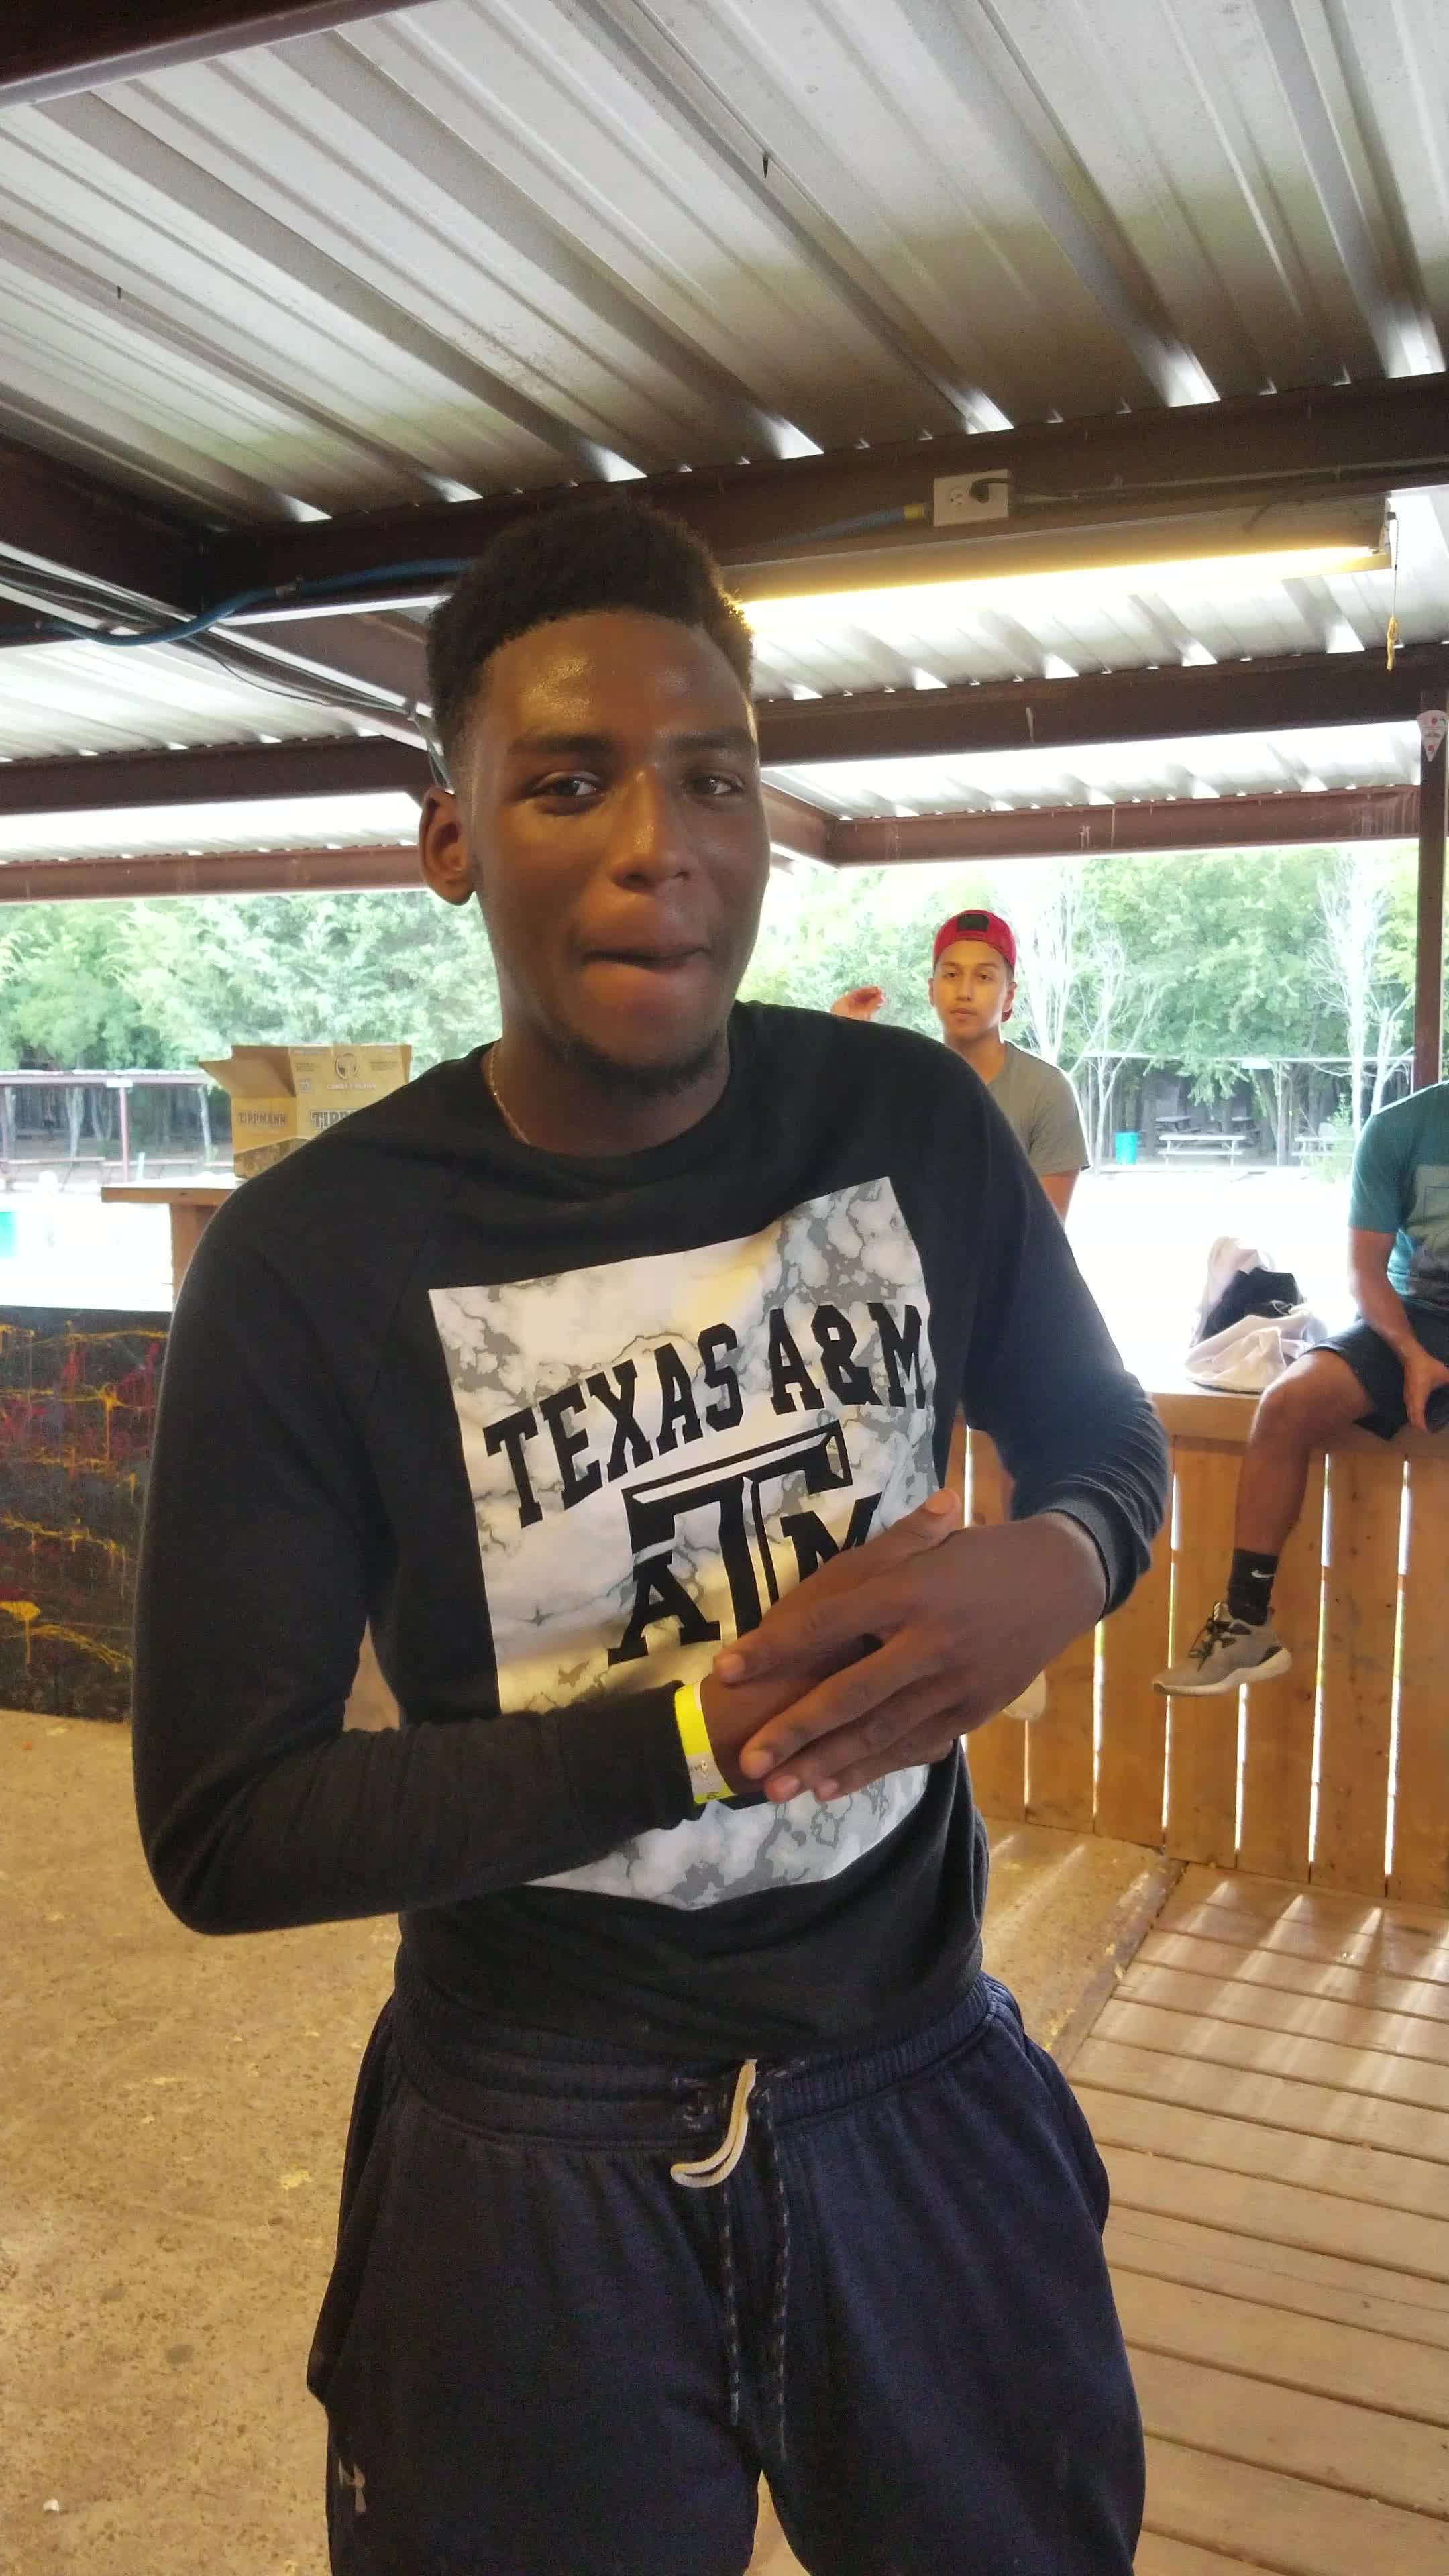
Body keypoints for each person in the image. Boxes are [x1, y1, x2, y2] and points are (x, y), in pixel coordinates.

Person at [133, 498, 1167, 2576]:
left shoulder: (910, 1122)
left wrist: (1056, 1568)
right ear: (451, 836)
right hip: (534, 2139)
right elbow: (230, 1824)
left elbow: (1100, 1444)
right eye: (569, 782)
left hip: (916, 2068)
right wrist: (702, 1731)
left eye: (712, 778)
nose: (657, 845)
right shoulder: (313, 1260)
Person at [1157, 1079, 1449, 1694]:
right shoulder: (1402, 1128)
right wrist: (1411, 1355)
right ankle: (1245, 1622)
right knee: (1287, 1404)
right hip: (1418, 1316)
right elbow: (1365, 1271)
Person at [834, 910, 1090, 1216]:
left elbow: (1046, 1231)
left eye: (984, 977)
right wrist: (845, 1042)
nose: (964, 992)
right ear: (932, 990)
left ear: (1009, 996)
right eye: (952, 975)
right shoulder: (902, 1085)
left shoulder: (1046, 1090)